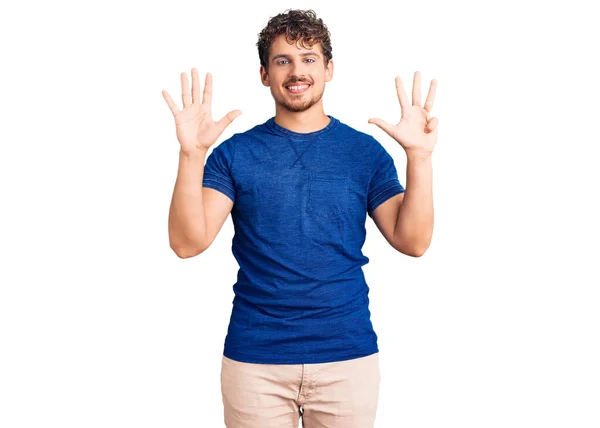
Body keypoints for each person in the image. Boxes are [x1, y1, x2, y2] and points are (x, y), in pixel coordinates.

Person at [162, 8, 438, 428]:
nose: (297, 71)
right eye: (282, 60)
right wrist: (191, 155)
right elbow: (187, 243)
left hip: (347, 356)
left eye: (309, 59)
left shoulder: (364, 153)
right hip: (256, 361)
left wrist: (418, 158)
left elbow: (413, 242)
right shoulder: (234, 154)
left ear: (329, 69)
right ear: (264, 74)